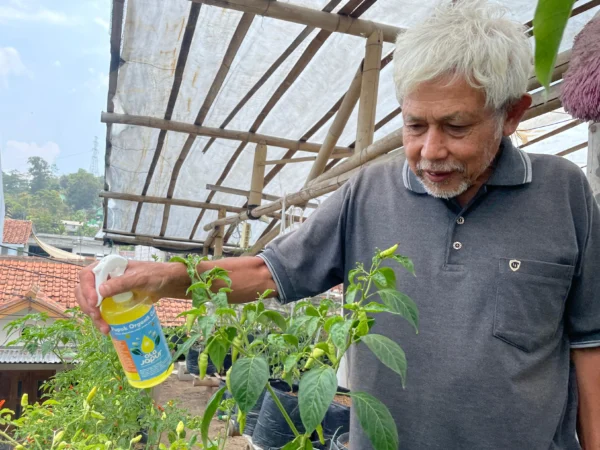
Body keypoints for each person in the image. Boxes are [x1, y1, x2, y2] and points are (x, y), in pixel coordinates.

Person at [76, 1, 600, 448]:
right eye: (415, 125)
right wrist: (167, 279)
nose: (430, 151)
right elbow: (266, 273)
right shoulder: (368, 194)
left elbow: (589, 343)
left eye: (456, 127)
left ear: (512, 115)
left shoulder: (564, 193)